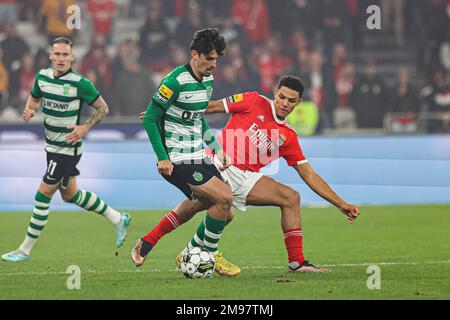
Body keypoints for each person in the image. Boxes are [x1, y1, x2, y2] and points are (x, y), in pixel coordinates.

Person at [136, 75, 360, 275]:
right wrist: (167, 112)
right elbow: (210, 107)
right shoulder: (254, 100)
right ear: (275, 92)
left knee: (290, 198)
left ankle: (296, 262)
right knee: (204, 206)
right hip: (218, 161)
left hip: (245, 177)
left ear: (298, 103)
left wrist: (340, 203)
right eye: (282, 97)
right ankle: (185, 249)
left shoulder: (288, 136)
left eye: (291, 101)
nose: (284, 103)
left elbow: (309, 174)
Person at [1, 37, 131, 262]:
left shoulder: (80, 83)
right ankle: (118, 218)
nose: (61, 59)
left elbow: (103, 108)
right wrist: (29, 110)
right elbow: (33, 99)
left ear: (72, 57)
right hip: (51, 147)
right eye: (57, 54)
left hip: (67, 148)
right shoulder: (42, 77)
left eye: (65, 55)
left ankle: (24, 250)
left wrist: (85, 128)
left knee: (42, 195)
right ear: (51, 55)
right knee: (70, 194)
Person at [131, 28, 234, 268]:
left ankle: (149, 241)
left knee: (224, 212)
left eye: (216, 59)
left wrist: (216, 148)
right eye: (209, 58)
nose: (213, 65)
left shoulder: (208, 81)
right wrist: (162, 158)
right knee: (224, 197)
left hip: (198, 154)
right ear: (194, 54)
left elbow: (199, 118)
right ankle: (206, 255)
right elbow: (149, 119)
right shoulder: (174, 81)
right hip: (176, 157)